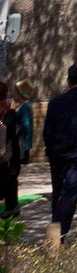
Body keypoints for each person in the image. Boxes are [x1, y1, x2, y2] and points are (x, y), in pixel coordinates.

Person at [42, 64, 77, 236]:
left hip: (57, 153)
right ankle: (58, 232)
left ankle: (57, 230)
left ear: (68, 80)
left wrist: (49, 150)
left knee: (58, 191)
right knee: (70, 194)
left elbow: (47, 131)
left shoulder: (56, 102)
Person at [0, 84, 21, 221]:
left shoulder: (9, 114)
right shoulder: (9, 114)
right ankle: (11, 207)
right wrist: (16, 161)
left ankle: (11, 207)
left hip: (4, 155)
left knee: (7, 180)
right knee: (9, 179)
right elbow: (13, 138)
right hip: (4, 156)